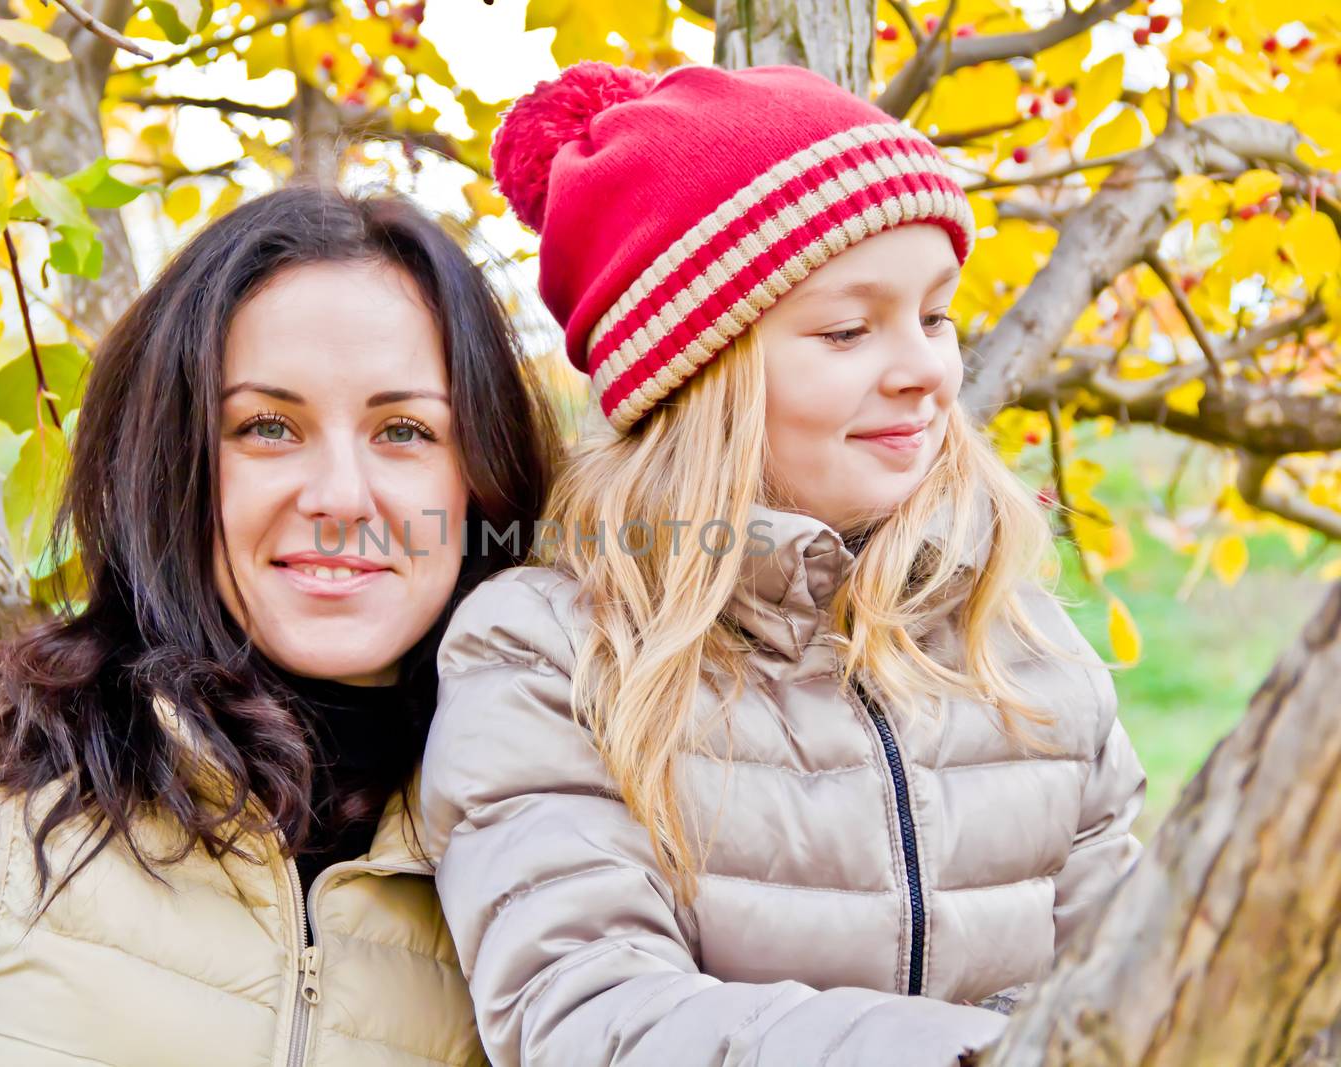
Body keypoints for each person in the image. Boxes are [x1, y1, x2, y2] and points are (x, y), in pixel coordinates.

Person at [419, 62, 1146, 1067]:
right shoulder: (551, 652)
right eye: (848, 329)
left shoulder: (1018, 642)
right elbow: (590, 1014)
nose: (924, 368)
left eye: (934, 315)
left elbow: (1143, 962)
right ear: (697, 375)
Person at [0, 185, 556, 1066]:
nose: (339, 498)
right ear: (177, 460)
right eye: (268, 426)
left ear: (481, 481)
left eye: (402, 430)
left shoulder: (538, 860)